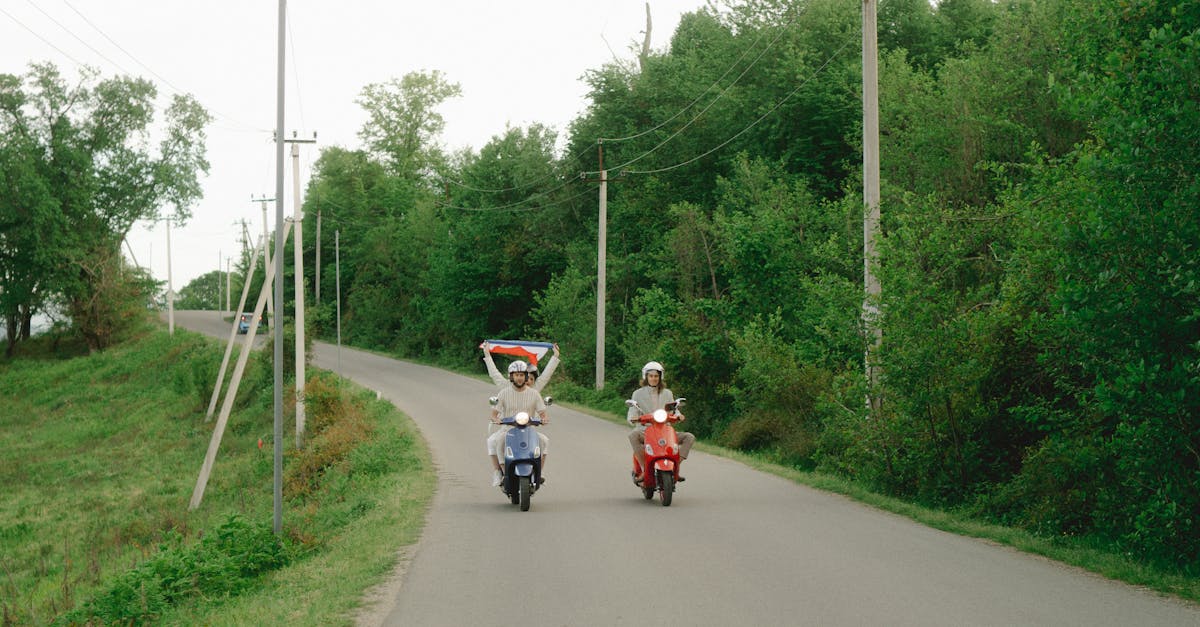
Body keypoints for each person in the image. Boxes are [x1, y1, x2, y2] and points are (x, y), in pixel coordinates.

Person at [627, 361, 695, 481]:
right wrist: (633, 418)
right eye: (651, 376)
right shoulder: (637, 394)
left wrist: (679, 415)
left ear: (660, 377)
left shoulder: (668, 393)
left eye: (656, 376)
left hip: (665, 430)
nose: (653, 379)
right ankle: (645, 469)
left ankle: (675, 467)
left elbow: (673, 409)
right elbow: (633, 410)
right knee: (633, 435)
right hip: (645, 430)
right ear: (646, 377)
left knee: (689, 437)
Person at [487, 360, 549, 487]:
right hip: (508, 429)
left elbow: (543, 412)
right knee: (498, 442)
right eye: (516, 375)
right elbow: (494, 413)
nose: (519, 378)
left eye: (522, 375)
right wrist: (496, 418)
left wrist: (544, 418)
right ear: (511, 376)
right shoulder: (504, 393)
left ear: (526, 376)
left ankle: (540, 472)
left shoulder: (534, 394)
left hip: (529, 429)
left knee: (544, 441)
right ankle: (501, 473)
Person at [482, 341, 560, 392]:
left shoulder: (535, 389)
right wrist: (487, 354)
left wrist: (555, 355)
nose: (528, 381)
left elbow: (546, 375)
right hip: (508, 416)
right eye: (525, 377)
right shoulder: (506, 387)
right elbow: (495, 374)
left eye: (531, 379)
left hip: (530, 417)